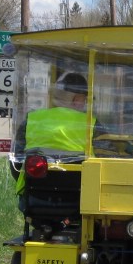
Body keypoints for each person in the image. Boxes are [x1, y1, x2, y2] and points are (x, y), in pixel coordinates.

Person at [14, 72, 96, 205]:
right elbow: (106, 164)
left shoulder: (32, 120)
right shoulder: (92, 125)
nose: (86, 104)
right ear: (76, 99)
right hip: (80, 201)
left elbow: (16, 163)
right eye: (84, 99)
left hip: (35, 198)